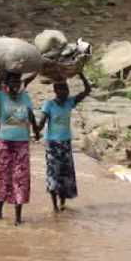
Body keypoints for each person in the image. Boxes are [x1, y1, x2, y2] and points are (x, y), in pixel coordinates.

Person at [0, 71, 38, 226]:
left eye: (17, 81)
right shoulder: (0, 97)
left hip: (22, 142)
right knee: (4, 177)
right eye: (12, 82)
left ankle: (18, 217)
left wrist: (36, 130)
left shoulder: (25, 97)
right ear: (6, 84)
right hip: (4, 142)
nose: (15, 84)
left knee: (21, 178)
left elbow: (31, 115)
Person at [37, 73, 91, 212]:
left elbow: (87, 91)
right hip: (52, 145)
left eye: (66, 89)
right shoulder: (49, 105)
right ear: (56, 90)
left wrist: (81, 74)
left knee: (65, 175)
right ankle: (54, 206)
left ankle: (62, 203)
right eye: (62, 89)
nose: (65, 92)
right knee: (53, 175)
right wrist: (34, 128)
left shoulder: (69, 102)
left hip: (66, 144)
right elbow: (41, 123)